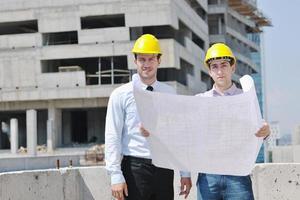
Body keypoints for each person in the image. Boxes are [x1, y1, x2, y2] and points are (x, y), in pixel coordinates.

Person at [105, 34, 192, 200]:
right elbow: (112, 136)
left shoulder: (169, 93)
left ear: (159, 60)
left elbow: (177, 135)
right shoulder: (120, 95)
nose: (146, 64)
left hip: (164, 167)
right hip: (134, 168)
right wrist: (115, 175)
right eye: (142, 59)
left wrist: (185, 172)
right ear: (135, 61)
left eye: (151, 59)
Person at [196, 43, 270, 200]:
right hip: (208, 177)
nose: (220, 71)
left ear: (233, 67)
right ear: (209, 71)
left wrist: (266, 130)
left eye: (224, 65)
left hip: (238, 175)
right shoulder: (200, 101)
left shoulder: (245, 98)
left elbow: (259, 126)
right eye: (214, 66)